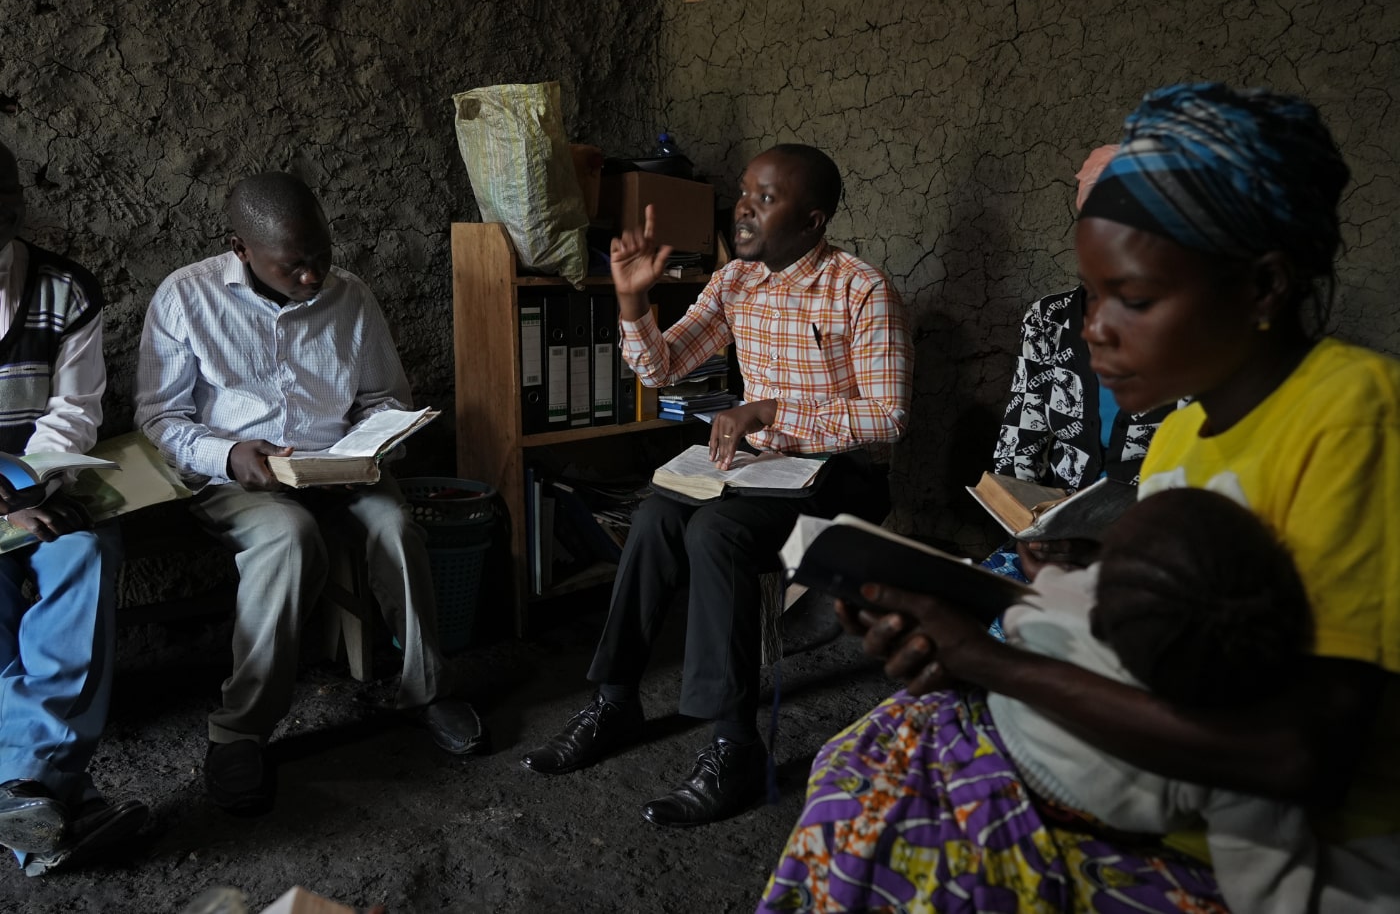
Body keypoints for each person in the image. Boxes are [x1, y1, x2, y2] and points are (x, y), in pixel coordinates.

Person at [758, 84, 1400, 912]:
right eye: (1092, 295)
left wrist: (990, 660)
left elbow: (1303, 755)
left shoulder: (1356, 419)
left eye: (1133, 299)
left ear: (1263, 287)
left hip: (1249, 847)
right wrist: (976, 613)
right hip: (1142, 779)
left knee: (878, 817)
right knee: (869, 757)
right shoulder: (1187, 429)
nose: (1094, 328)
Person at [522, 144, 914, 827]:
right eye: (745, 193)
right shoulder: (735, 282)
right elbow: (663, 368)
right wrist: (631, 299)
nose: (745, 208)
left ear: (813, 220)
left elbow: (888, 418)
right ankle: (615, 701)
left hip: (841, 476)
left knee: (716, 533)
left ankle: (735, 747)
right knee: (654, 518)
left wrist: (770, 411)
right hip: (762, 470)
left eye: (767, 197)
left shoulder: (861, 288)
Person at [134, 172, 487, 816]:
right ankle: (240, 731)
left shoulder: (351, 295)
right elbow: (160, 418)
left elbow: (384, 398)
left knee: (396, 529)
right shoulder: (187, 297)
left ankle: (427, 691)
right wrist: (231, 455)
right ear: (241, 249)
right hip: (239, 479)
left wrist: (373, 443)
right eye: (294, 265)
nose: (313, 275)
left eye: (322, 256)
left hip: (340, 470)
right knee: (289, 540)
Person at [991, 487, 1328, 914]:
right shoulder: (1230, 745)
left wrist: (1046, 574)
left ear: (1099, 607)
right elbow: (1269, 888)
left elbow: (1036, 602)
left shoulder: (1069, 608)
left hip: (986, 751)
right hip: (1079, 838)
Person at [0, 140, 148, 876]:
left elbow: (73, 413)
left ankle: (28, 796)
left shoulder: (66, 290)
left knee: (83, 554)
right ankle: (43, 796)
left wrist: (28, 488)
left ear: (16, 207)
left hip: (45, 490)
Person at [984, 144, 1181, 584]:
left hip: (1159, 549)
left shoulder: (1199, 333)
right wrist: (1027, 536)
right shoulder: (1049, 320)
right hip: (1058, 539)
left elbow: (1212, 484)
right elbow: (1019, 445)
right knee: (972, 609)